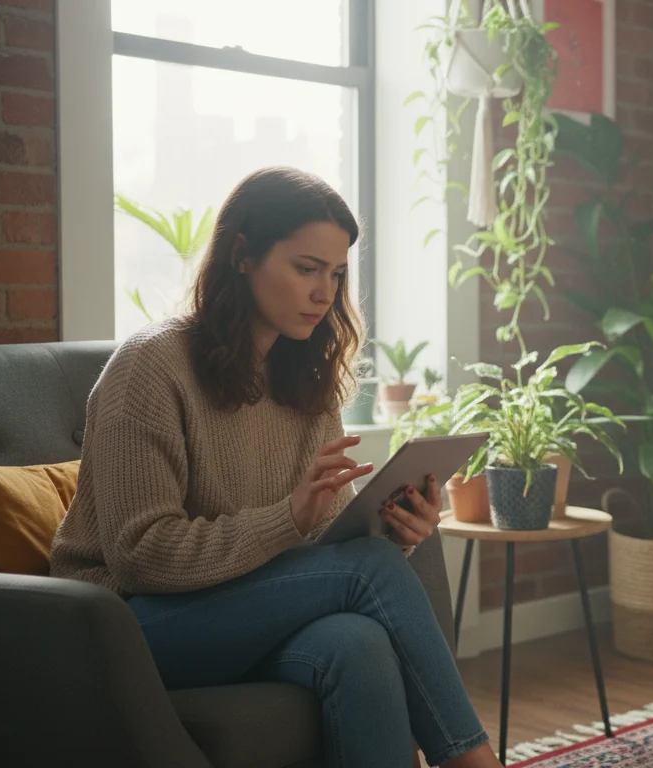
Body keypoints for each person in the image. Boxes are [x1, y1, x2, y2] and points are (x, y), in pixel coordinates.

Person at [49, 167, 500, 768]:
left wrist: (395, 531)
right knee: (367, 570)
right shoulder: (150, 369)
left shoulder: (306, 383)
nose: (326, 293)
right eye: (307, 269)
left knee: (359, 643)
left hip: (241, 611)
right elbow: (140, 554)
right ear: (243, 256)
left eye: (337, 275)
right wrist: (287, 518)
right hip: (122, 629)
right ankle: (474, 762)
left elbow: (322, 544)